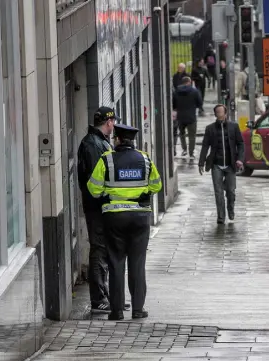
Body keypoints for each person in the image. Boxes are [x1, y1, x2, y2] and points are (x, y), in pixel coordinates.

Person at [87, 124, 162, 320]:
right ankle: (138, 309)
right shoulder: (144, 159)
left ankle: (117, 311)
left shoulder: (107, 160)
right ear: (133, 141)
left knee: (115, 262)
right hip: (140, 218)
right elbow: (156, 185)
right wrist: (143, 193)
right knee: (137, 263)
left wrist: (107, 194)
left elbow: (93, 189)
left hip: (114, 218)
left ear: (117, 139)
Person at [77, 106, 130, 313]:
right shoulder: (93, 144)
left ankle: (107, 297)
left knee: (104, 250)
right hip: (97, 208)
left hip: (101, 207)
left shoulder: (98, 142)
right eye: (113, 122)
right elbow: (95, 181)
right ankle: (99, 299)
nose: (114, 126)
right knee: (99, 250)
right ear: (109, 122)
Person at [198, 104, 245, 224]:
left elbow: (240, 143)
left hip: (230, 164)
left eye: (221, 112)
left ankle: (231, 209)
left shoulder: (234, 126)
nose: (219, 115)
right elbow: (205, 146)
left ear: (225, 113)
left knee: (231, 191)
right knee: (218, 192)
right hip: (216, 164)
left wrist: (240, 159)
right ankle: (221, 216)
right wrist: (201, 163)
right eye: (217, 112)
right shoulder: (210, 129)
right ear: (215, 114)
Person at [173, 76, 203, 158]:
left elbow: (173, 104)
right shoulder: (195, 91)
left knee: (182, 134)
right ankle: (191, 152)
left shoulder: (176, 91)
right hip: (191, 116)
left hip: (180, 116)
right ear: (189, 82)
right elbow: (199, 103)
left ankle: (184, 149)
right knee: (192, 136)